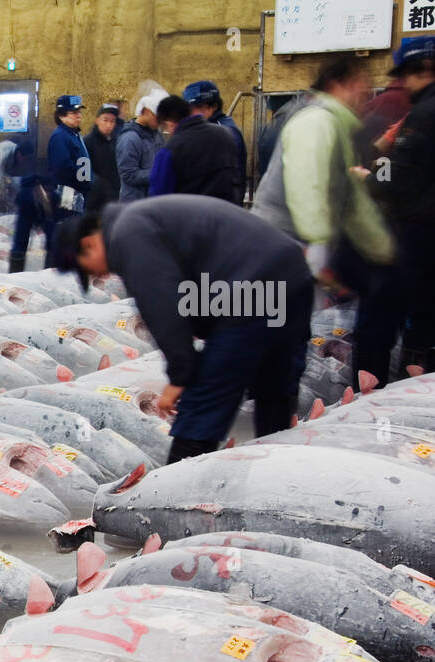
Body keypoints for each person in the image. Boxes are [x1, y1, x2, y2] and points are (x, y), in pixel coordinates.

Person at [54, 196, 314, 462]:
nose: (102, 276)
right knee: (274, 387)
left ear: (88, 245)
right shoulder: (138, 219)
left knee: (202, 407)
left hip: (252, 288)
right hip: (290, 274)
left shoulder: (127, 235)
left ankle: (172, 495)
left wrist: (181, 376)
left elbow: (162, 305)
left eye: (87, 270)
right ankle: (273, 474)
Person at [251, 57, 394, 303]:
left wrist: (383, 250)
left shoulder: (338, 127)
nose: (364, 92)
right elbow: (308, 184)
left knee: (297, 331)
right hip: (283, 247)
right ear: (336, 84)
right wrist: (317, 248)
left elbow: (351, 200)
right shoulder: (317, 121)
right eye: (358, 84)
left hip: (298, 251)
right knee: (271, 329)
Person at [361, 36, 435, 383]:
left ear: (424, 68)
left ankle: (373, 395)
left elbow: (396, 174)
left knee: (382, 317)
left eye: (407, 74)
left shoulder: (424, 113)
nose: (404, 84)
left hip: (416, 236)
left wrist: (371, 173)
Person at [148, 95, 242, 203]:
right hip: (225, 213)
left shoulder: (170, 150)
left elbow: (159, 198)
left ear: (170, 123)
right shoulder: (225, 135)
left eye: (164, 128)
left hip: (189, 217)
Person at [183, 81, 248, 200]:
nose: (190, 115)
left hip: (220, 205)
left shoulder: (224, 132)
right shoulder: (207, 129)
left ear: (213, 107)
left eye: (196, 108)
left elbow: (225, 177)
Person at [46, 94, 92, 242]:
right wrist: (83, 182)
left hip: (78, 194)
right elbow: (63, 168)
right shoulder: (60, 136)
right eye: (73, 113)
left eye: (79, 112)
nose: (78, 116)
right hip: (67, 196)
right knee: (67, 237)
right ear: (61, 116)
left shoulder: (73, 134)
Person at [5, 138, 52, 274]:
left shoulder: (30, 167)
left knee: (22, 242)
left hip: (36, 205)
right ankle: (16, 275)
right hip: (30, 204)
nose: (25, 159)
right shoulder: (12, 161)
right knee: (22, 242)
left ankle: (46, 274)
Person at [116, 90, 165, 202]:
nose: (160, 122)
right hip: (134, 203)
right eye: (158, 117)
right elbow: (128, 174)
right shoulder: (130, 138)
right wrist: (159, 172)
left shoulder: (157, 134)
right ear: (147, 111)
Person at [84, 104, 121, 212]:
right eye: (105, 120)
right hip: (94, 201)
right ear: (97, 120)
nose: (109, 125)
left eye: (112, 121)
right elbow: (84, 174)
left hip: (113, 198)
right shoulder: (87, 142)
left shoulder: (115, 142)